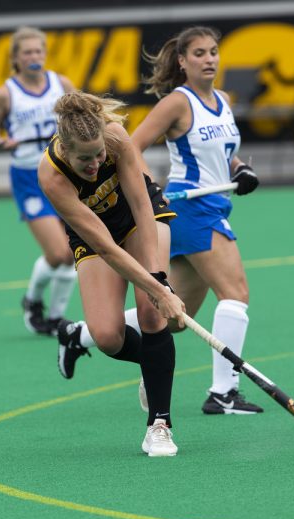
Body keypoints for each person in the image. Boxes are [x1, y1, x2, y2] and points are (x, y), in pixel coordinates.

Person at [56, 26, 262, 416]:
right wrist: (150, 186)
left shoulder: (223, 99)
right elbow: (129, 148)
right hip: (190, 211)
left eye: (214, 51)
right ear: (182, 61)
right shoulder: (177, 103)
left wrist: (239, 169)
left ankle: (79, 334)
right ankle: (223, 393)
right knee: (235, 294)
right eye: (199, 53)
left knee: (175, 317)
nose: (209, 59)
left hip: (216, 204)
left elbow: (224, 152)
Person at [38, 90, 186, 456]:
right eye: (84, 159)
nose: (94, 163)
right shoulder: (52, 178)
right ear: (66, 152)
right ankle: (83, 339)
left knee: (152, 313)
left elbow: (140, 205)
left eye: (98, 154)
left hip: (139, 218)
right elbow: (105, 247)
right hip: (97, 234)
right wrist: (154, 285)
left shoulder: (117, 138)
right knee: (106, 336)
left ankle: (159, 425)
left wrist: (158, 281)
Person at [0, 26, 77, 336]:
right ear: (16, 58)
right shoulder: (6, 93)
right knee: (58, 253)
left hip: (63, 173)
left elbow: (80, 116)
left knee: (75, 251)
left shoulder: (61, 84)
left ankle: (56, 318)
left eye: (39, 51)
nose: (35, 57)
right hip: (28, 177)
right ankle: (33, 300)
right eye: (28, 52)